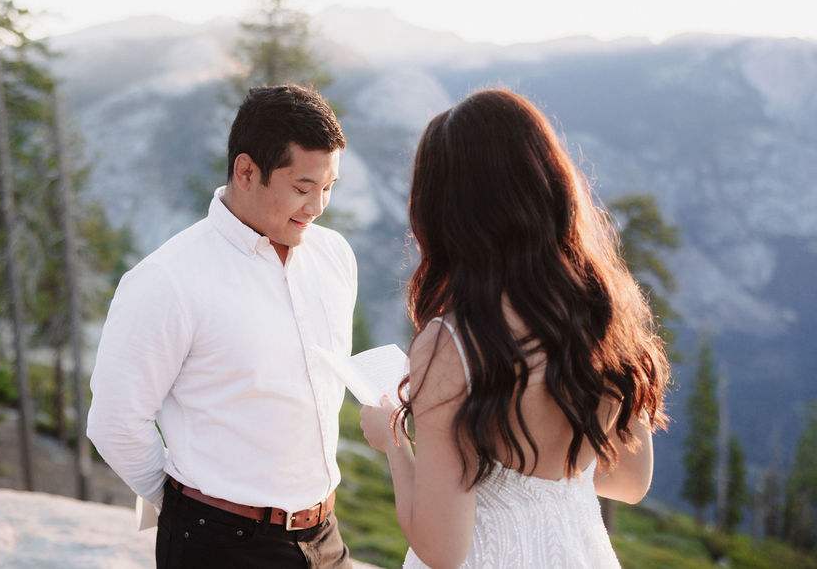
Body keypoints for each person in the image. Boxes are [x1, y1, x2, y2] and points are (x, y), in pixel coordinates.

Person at [360, 89, 670, 569]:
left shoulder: (454, 343)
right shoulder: (604, 311)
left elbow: (442, 550)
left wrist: (394, 444)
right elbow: (631, 482)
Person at [87, 84, 356, 569]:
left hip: (324, 538)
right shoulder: (166, 279)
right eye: (302, 188)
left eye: (329, 187)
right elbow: (114, 422)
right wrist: (192, 510)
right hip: (218, 546)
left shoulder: (334, 256)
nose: (318, 207)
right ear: (247, 171)